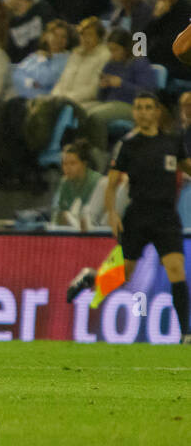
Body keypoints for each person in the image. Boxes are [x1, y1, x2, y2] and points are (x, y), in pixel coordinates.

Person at [70, 92, 191, 343]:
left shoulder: (173, 141)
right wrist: (113, 213)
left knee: (176, 269)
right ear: (134, 113)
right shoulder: (127, 144)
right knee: (123, 274)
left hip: (166, 217)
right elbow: (112, 184)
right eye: (138, 107)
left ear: (157, 112)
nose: (143, 112)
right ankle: (91, 277)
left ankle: (186, 334)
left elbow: (186, 166)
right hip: (137, 215)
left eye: (148, 107)